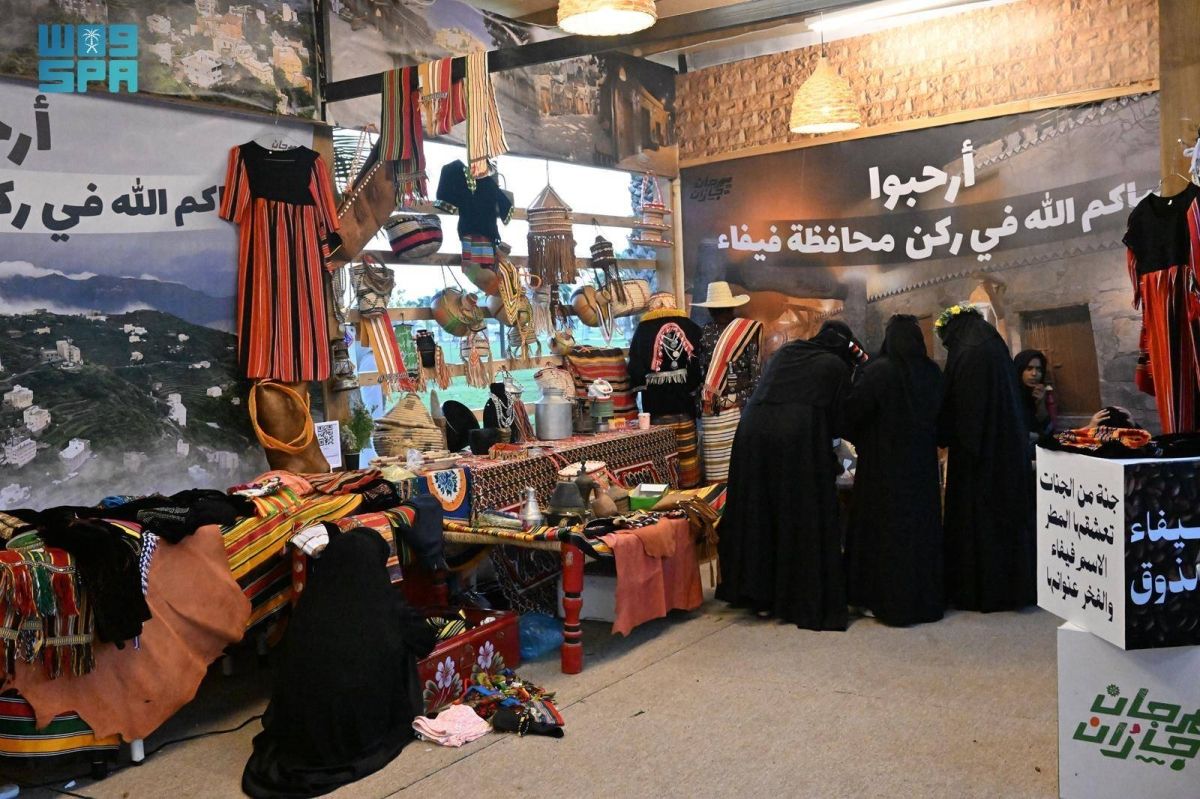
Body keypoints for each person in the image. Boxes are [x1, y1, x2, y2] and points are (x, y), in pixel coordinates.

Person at [243, 527, 435, 798]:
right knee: (401, 644)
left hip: (300, 734)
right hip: (354, 735)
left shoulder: (310, 603)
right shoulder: (384, 602)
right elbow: (425, 641)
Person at [717, 320, 865, 631]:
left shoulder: (789, 351)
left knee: (760, 509)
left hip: (752, 434)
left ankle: (758, 591)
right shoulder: (835, 366)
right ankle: (793, 594)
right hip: (795, 439)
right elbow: (843, 419)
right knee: (797, 511)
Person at [843, 315, 945, 626]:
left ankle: (882, 599)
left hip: (881, 466)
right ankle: (923, 601)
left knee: (883, 532)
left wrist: (864, 440)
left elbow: (852, 413)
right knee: (919, 532)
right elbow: (942, 419)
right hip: (921, 467)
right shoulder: (931, 372)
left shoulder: (878, 371)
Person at [936, 305, 1036, 613]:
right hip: (1007, 451)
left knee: (978, 524)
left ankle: (978, 590)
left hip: (977, 458)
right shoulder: (992, 344)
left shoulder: (967, 352)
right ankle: (1013, 588)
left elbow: (964, 411)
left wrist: (943, 434)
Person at [694, 281, 762, 482]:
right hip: (740, 407)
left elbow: (702, 374)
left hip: (712, 409)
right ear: (732, 307)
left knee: (716, 470)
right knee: (741, 466)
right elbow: (756, 375)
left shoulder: (704, 334)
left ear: (709, 309)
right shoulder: (747, 331)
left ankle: (718, 498)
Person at [1013, 349, 1059, 442]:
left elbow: (1049, 433)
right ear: (1019, 370)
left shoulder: (1040, 395)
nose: (1034, 374)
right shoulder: (1011, 397)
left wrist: (1040, 405)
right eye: (1029, 369)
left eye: (1039, 369)